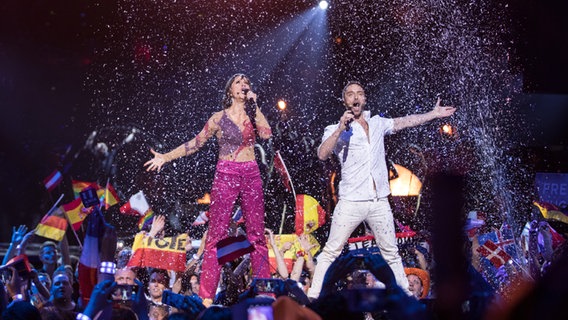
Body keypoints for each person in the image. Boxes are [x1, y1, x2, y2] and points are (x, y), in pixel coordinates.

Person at [308, 81, 456, 299]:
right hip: (351, 201)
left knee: (391, 253)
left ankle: (406, 297)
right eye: (350, 94)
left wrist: (432, 114)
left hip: (378, 201)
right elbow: (322, 154)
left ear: (365, 99)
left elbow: (405, 121)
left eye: (359, 93)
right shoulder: (334, 129)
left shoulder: (377, 123)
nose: (355, 97)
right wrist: (340, 128)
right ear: (345, 101)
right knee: (332, 250)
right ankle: (314, 295)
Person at [144, 73, 273, 306]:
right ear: (230, 90)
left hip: (251, 173)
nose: (244, 84)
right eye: (238, 81)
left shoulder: (253, 114)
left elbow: (266, 134)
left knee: (257, 236)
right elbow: (194, 143)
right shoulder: (218, 118)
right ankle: (206, 297)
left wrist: (256, 106)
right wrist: (166, 157)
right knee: (215, 237)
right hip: (226, 174)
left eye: (247, 82)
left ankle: (265, 291)